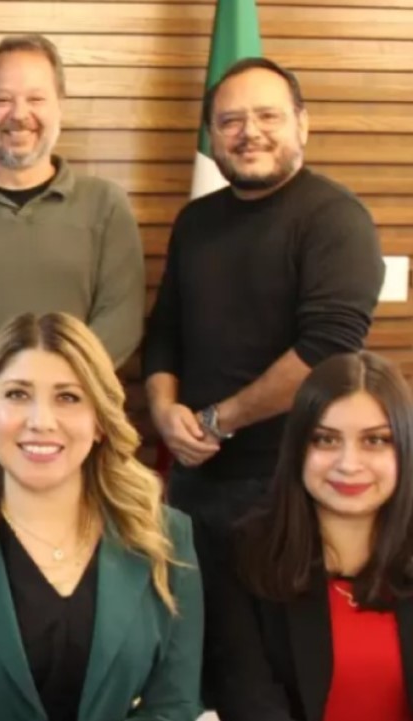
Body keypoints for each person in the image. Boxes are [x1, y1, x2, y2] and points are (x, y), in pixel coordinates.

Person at [0, 312, 202, 721]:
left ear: (100, 422)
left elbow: (174, 706)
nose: (41, 422)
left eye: (68, 397)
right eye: (17, 394)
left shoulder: (167, 538)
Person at [142, 56, 383, 551]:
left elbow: (328, 348)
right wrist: (165, 412)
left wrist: (219, 421)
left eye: (267, 116)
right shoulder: (194, 221)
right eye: (230, 120)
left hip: (290, 480)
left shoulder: (337, 219)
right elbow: (165, 330)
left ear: (302, 123)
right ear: (212, 135)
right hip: (194, 477)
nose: (249, 132)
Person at [0, 35, 144, 498]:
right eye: (2, 99)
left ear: (60, 105)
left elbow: (121, 318)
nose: (19, 114)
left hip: (75, 446)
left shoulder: (106, 206)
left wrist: (53, 405)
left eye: (35, 98)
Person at [213, 351, 413, 721]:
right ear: (297, 448)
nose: (349, 464)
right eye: (325, 440)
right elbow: (248, 700)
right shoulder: (244, 555)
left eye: (375, 440)